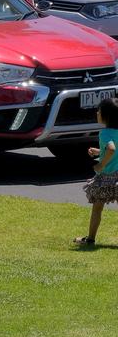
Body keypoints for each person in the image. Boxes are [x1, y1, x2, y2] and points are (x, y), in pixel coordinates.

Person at [74, 97, 118, 248]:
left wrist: (101, 164)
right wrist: (99, 152)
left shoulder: (105, 133)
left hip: (107, 177)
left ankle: (90, 239)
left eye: (99, 110)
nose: (97, 112)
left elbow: (112, 149)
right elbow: (112, 151)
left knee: (97, 208)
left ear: (105, 116)